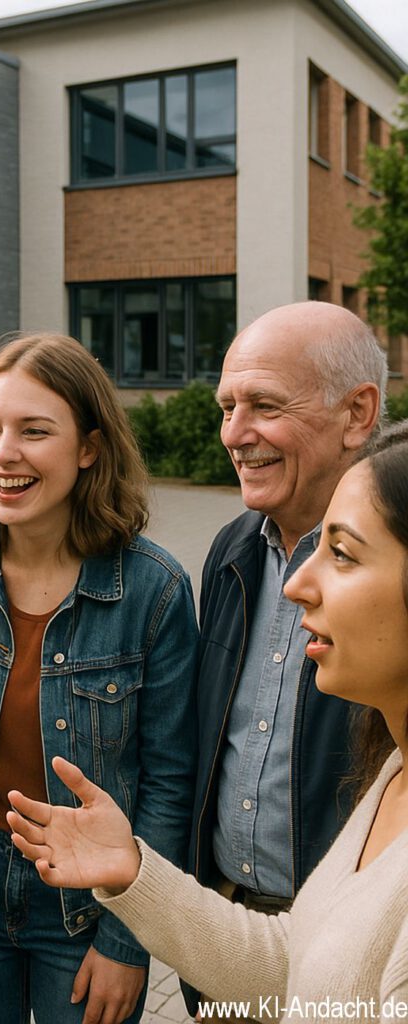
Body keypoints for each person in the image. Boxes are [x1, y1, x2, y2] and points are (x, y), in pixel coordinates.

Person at [7, 421, 408, 1022]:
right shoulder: (393, 773)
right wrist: (136, 873)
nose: (296, 583)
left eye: (343, 554)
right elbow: (306, 966)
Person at [0, 333, 198, 1024]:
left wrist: (130, 942)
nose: (5, 454)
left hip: (91, 899)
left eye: (36, 431)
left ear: (89, 447)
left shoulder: (154, 591)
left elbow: (168, 784)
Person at [191, 303, 384, 950]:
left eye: (265, 407)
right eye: (227, 407)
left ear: (357, 414)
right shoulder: (231, 552)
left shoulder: (398, 569)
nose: (234, 434)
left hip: (349, 945)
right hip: (226, 925)